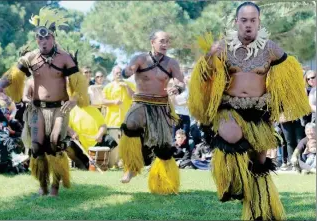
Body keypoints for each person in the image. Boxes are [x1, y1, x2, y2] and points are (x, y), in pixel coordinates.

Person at [188, 2, 310, 220]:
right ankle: (232, 184)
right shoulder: (224, 47)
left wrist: (280, 104)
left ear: (258, 22)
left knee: (260, 162)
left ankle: (261, 210)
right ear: (237, 22)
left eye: (253, 20)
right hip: (229, 108)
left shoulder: (271, 48)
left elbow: (289, 74)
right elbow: (204, 78)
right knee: (232, 135)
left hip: (259, 111)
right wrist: (208, 57)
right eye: (244, 20)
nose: (248, 25)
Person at [0, 7, 89, 196]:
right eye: (39, 39)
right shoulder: (30, 57)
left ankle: (55, 186)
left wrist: (75, 99)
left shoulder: (65, 58)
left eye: (46, 38)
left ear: (53, 38)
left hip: (59, 108)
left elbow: (78, 83)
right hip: (37, 109)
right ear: (36, 39)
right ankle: (43, 185)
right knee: (37, 147)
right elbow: (13, 75)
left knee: (55, 143)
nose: (43, 42)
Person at [119, 30, 185, 195]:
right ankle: (131, 167)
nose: (165, 44)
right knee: (130, 124)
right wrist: (127, 71)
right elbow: (127, 71)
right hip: (141, 102)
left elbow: (180, 82)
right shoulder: (140, 58)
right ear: (152, 42)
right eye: (162, 41)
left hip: (161, 106)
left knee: (163, 146)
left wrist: (177, 88)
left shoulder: (172, 63)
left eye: (167, 41)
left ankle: (164, 184)